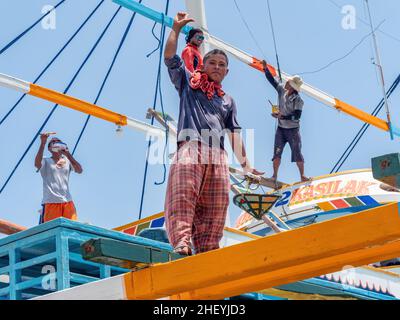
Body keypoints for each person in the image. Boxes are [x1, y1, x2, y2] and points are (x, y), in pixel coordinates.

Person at [164, 12, 263, 256]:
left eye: (222, 65)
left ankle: (208, 250)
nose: (217, 67)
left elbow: (233, 133)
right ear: (202, 65)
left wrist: (247, 165)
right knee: (183, 194)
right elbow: (170, 58)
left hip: (218, 155)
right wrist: (176, 29)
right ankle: (182, 242)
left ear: (226, 72)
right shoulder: (189, 83)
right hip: (192, 145)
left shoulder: (227, 100)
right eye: (212, 63)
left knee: (217, 204)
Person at [262, 60, 310, 183]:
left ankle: (302, 176)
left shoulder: (298, 100)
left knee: (297, 152)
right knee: (277, 152)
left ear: (293, 88)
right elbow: (272, 81)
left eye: (289, 82)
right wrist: (265, 69)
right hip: (281, 129)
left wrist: (282, 116)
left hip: (293, 130)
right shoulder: (282, 91)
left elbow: (297, 116)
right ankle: (274, 176)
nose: (286, 83)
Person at [35, 133, 83, 223]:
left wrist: (68, 154)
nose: (56, 143)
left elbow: (79, 170)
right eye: (53, 142)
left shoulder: (67, 160)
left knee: (71, 227)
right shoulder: (46, 161)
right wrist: (43, 143)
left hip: (67, 201)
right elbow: (37, 164)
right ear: (49, 149)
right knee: (51, 230)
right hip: (51, 201)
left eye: (58, 142)